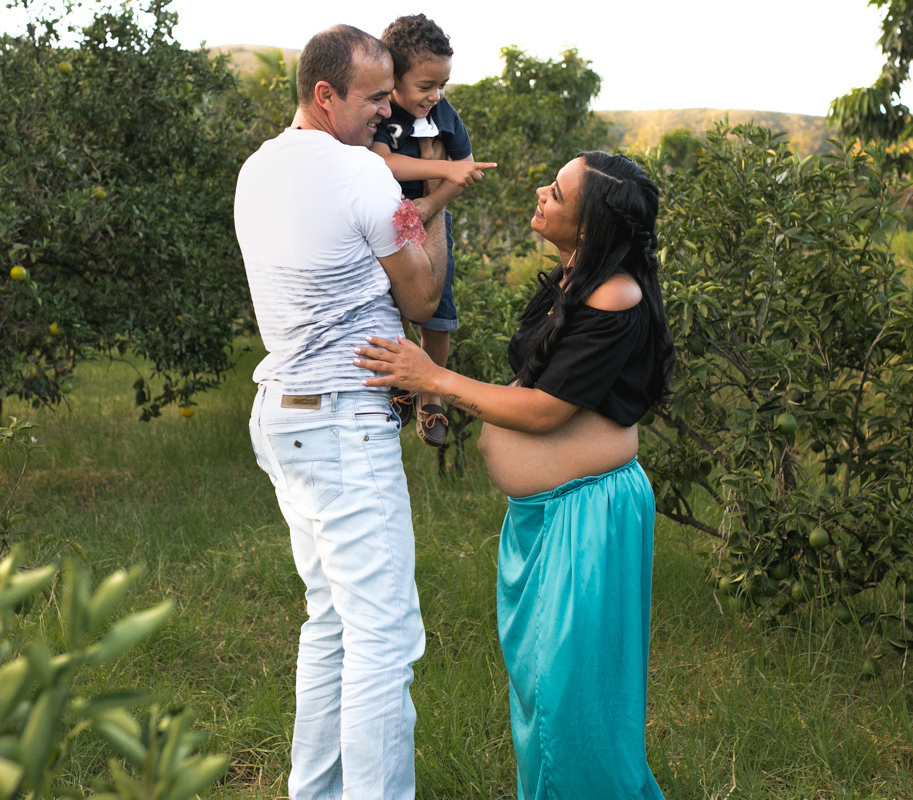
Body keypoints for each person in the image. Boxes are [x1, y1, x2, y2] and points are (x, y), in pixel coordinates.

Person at [354, 151, 674, 799]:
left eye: (556, 192)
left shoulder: (615, 294)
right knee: (544, 692)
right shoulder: (575, 281)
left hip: (587, 516)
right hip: (548, 515)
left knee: (569, 699)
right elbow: (531, 386)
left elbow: (544, 410)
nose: (540, 192)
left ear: (589, 226)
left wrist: (435, 376)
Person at [233, 24, 445, 800]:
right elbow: (422, 297)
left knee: (330, 621)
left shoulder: (258, 167)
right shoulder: (360, 173)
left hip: (284, 415)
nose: (388, 112)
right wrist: (431, 206)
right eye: (374, 98)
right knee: (384, 637)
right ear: (325, 95)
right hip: (342, 421)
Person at [370, 13, 496, 448]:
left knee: (438, 310)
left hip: (429, 219)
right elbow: (384, 162)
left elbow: (464, 170)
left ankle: (430, 393)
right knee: (390, 305)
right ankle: (399, 381)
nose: (436, 95)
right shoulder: (383, 114)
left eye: (442, 85)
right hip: (384, 223)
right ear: (393, 79)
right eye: (426, 86)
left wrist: (430, 203)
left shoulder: (444, 114)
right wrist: (442, 168)